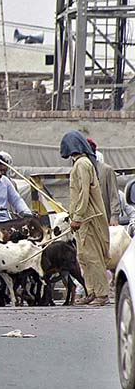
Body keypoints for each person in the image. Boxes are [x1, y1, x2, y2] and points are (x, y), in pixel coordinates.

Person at [60, 130, 110, 306]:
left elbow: (84, 193)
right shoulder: (80, 164)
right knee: (82, 256)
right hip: (81, 219)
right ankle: (91, 291)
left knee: (92, 255)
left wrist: (78, 216)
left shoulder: (82, 164)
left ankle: (102, 294)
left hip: (88, 218)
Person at [86, 138, 121, 226]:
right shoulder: (80, 171)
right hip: (88, 221)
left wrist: (114, 217)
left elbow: (114, 195)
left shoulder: (106, 170)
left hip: (105, 219)